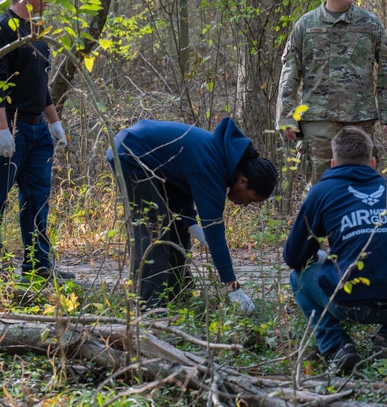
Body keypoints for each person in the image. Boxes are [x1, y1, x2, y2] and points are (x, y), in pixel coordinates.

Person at [284, 127, 387, 374]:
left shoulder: (322, 192)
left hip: (346, 305)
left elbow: (293, 257)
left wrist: (320, 256)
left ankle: (337, 345)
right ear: (372, 162)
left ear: (333, 163)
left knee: (298, 277)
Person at [107, 117, 277, 311]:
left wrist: (188, 220)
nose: (246, 204)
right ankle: (149, 308)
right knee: (154, 227)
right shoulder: (213, 168)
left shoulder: (219, 159)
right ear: (243, 182)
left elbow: (181, 178)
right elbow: (214, 232)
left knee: (177, 225)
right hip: (131, 153)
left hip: (151, 160)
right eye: (251, 199)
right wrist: (232, 287)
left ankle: (178, 296)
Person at [0, 0, 73, 281]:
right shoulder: (0, 29)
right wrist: (1, 129)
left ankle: (38, 266)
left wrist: (54, 123)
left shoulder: (37, 32)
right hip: (8, 128)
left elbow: (40, 84)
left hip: (37, 130)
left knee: (37, 200)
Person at [276, 0, 387, 185]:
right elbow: (290, 72)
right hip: (318, 119)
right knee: (320, 184)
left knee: (361, 183)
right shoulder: (306, 25)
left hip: (359, 118)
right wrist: (286, 116)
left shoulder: (370, 23)